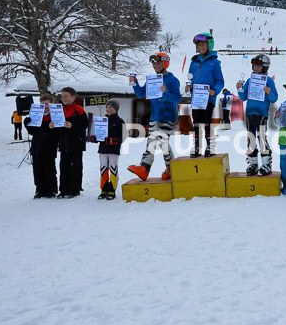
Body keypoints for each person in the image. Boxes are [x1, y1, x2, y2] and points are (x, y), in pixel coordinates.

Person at [128, 52, 182, 181]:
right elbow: (141, 94)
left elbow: (178, 98)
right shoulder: (152, 80)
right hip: (155, 116)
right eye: (154, 63)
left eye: (158, 63)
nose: (156, 66)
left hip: (168, 116)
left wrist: (165, 93)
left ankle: (155, 168)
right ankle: (158, 168)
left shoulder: (172, 80)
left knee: (159, 141)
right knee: (157, 142)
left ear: (165, 63)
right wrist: (135, 83)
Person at [237, 54, 278, 175]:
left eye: (259, 67)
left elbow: (274, 98)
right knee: (251, 137)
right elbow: (243, 97)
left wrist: (269, 92)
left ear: (265, 67)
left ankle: (266, 164)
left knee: (261, 137)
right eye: (254, 66)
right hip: (250, 113)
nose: (255, 68)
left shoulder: (269, 81)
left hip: (261, 113)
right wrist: (240, 89)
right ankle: (253, 163)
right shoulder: (250, 80)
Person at [186, 32, 225, 157]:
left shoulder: (215, 62)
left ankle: (210, 147)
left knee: (207, 122)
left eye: (203, 44)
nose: (201, 47)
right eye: (199, 45)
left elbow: (220, 81)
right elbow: (190, 78)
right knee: (196, 122)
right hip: (196, 98)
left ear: (209, 45)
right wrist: (189, 86)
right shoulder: (194, 62)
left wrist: (215, 91)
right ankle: (197, 147)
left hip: (208, 98)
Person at [89, 99, 126, 200]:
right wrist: (94, 138)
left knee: (113, 168)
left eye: (111, 107)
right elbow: (99, 134)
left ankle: (112, 190)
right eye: (107, 107)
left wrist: (113, 140)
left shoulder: (120, 121)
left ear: (116, 109)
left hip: (113, 150)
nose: (108, 109)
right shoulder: (102, 120)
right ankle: (103, 189)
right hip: (103, 149)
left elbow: (123, 136)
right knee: (103, 168)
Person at [24, 94, 58, 199]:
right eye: (42, 104)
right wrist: (27, 124)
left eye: (47, 104)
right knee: (37, 170)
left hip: (49, 146)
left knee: (49, 169)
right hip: (37, 146)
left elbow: (56, 133)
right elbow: (33, 132)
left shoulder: (55, 115)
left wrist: (51, 128)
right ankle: (40, 189)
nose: (45, 106)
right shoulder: (36, 116)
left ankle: (51, 190)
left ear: (52, 103)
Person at [57, 87, 89, 198]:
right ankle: (63, 190)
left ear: (73, 97)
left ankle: (74, 190)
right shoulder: (59, 110)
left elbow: (85, 125)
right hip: (63, 144)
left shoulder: (79, 109)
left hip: (76, 144)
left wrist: (72, 126)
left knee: (76, 167)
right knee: (63, 167)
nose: (63, 98)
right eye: (62, 96)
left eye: (66, 96)